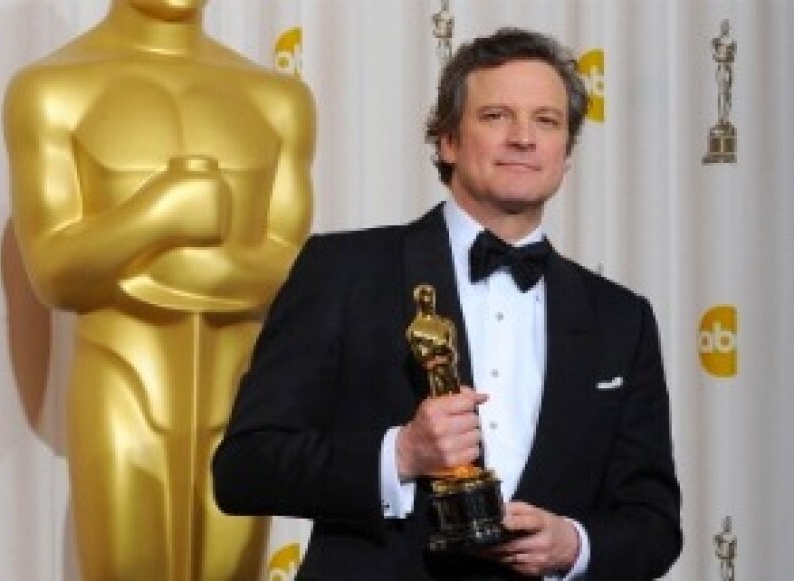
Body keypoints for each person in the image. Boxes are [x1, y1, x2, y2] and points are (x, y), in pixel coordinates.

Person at [213, 27, 682, 580]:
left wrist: (573, 544)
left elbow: (653, 524)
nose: (523, 138)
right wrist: (400, 455)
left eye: (546, 121)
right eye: (496, 116)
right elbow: (245, 469)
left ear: (567, 153)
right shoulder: (343, 270)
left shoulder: (620, 319)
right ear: (448, 141)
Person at [3, 0, 315, 579]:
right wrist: (157, 214)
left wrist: (140, 270)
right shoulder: (52, 90)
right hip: (120, 385)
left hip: (242, 397)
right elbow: (54, 271)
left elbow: (293, 270)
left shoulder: (278, 100)